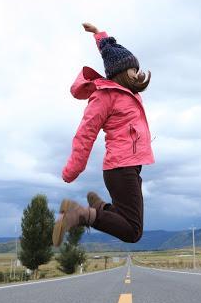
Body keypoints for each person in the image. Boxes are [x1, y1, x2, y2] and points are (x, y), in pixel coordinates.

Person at [53, 23, 154, 246]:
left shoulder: (125, 93)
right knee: (132, 231)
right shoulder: (105, 96)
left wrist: (100, 35)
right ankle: (79, 214)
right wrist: (74, 168)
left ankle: (99, 208)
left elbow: (110, 52)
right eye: (133, 69)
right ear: (120, 73)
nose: (137, 73)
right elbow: (85, 133)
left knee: (123, 218)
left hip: (129, 168)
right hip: (121, 169)